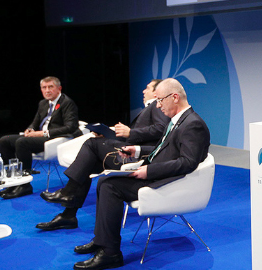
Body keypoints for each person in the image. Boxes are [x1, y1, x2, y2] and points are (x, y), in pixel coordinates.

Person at [72, 78, 210, 270]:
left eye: (161, 100)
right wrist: (136, 151)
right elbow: (163, 149)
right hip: (157, 173)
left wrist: (149, 170)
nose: (159, 105)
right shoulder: (178, 121)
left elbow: (187, 162)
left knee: (110, 186)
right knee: (105, 181)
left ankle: (110, 253)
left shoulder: (193, 124)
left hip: (166, 181)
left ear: (175, 97)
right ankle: (102, 240)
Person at [35, 79, 170, 231]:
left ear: (156, 92)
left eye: (147, 88)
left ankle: (68, 193)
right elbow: (141, 136)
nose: (143, 91)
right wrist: (109, 135)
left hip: (139, 158)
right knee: (87, 164)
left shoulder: (157, 106)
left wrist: (131, 132)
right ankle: (68, 215)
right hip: (130, 152)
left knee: (91, 144)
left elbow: (161, 129)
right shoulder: (151, 108)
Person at [0, 76, 80, 199]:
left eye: (50, 87)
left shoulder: (67, 103)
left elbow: (71, 127)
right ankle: (13, 182)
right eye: (44, 88)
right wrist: (30, 129)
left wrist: (43, 133)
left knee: (22, 142)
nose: (47, 90)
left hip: (57, 138)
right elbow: (35, 123)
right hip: (42, 136)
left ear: (59, 88)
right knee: (4, 140)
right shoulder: (43, 103)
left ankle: (24, 185)